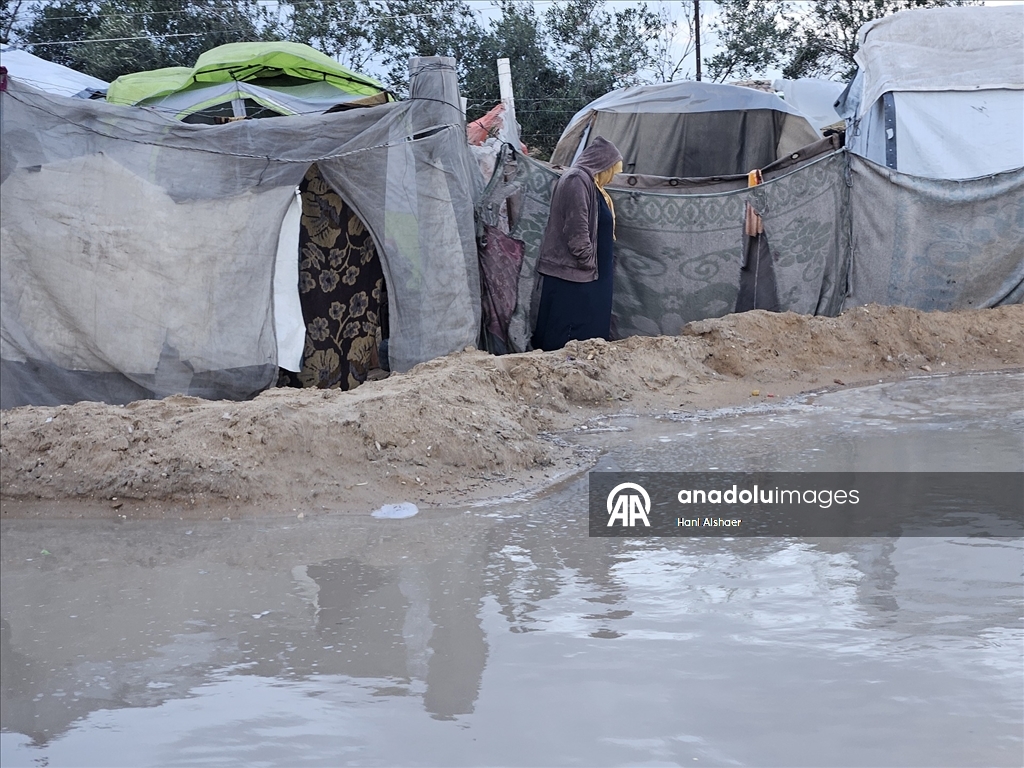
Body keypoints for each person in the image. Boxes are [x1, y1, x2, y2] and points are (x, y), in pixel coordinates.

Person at [532, 136, 623, 352]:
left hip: (590, 275)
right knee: (569, 334)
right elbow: (576, 228)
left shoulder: (591, 184)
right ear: (602, 165)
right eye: (612, 170)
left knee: (588, 331)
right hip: (576, 275)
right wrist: (586, 261)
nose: (612, 178)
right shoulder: (576, 180)